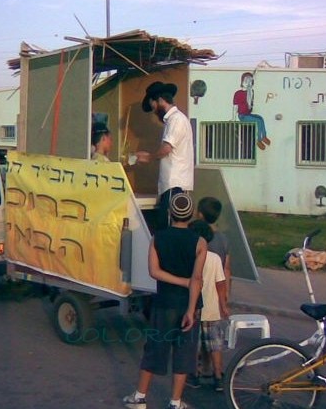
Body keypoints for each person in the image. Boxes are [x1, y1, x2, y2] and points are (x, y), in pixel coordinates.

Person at [123, 193, 206, 409]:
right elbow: (197, 279)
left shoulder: (157, 238)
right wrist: (190, 308)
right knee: (184, 352)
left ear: (170, 213)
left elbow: (154, 272)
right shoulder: (200, 242)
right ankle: (175, 402)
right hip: (190, 304)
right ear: (191, 215)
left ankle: (140, 397)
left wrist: (180, 281)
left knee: (155, 348)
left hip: (164, 303)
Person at [136, 81, 194, 230]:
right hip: (173, 184)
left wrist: (148, 157)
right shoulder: (174, 120)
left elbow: (167, 148)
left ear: (160, 101)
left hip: (174, 183)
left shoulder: (176, 119)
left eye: (153, 106)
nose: (154, 111)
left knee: (168, 227)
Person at [186, 219, 229, 392]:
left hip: (194, 309)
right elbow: (221, 284)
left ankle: (194, 375)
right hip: (212, 309)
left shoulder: (190, 257)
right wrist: (223, 305)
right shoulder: (215, 258)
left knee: (193, 345)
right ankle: (218, 376)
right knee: (215, 345)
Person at [232, 71, 270, 150]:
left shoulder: (251, 92)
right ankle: (258, 140)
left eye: (250, 81)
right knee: (258, 121)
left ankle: (264, 136)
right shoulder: (238, 93)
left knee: (260, 118)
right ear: (242, 82)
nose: (248, 83)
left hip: (247, 114)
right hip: (242, 116)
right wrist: (234, 119)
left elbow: (250, 106)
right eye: (246, 81)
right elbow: (235, 107)